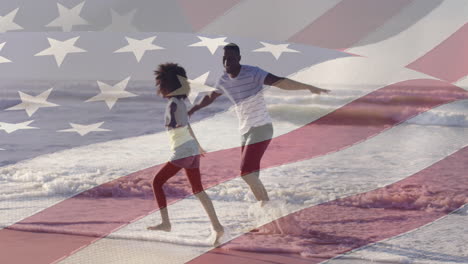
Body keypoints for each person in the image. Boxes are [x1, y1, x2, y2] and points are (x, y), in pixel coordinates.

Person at [188, 43, 329, 206]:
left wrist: (307, 87)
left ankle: (269, 209)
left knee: (246, 173)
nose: (227, 62)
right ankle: (263, 213)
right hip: (245, 131)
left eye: (231, 59)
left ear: (239, 59)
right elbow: (210, 97)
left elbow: (279, 82)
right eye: (224, 59)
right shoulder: (224, 79)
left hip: (261, 127)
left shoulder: (253, 72)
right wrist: (194, 109)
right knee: (253, 175)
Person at [147, 62, 224, 246]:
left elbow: (180, 124)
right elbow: (187, 125)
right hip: (191, 150)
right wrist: (198, 146)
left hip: (182, 150)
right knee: (198, 190)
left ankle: (166, 223)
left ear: (167, 85)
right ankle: (217, 226)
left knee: (156, 182)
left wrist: (174, 124)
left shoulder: (173, 104)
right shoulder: (180, 102)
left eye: (161, 83)